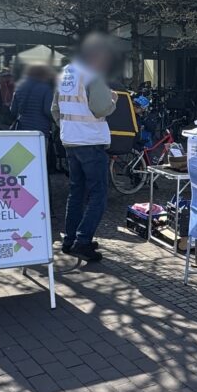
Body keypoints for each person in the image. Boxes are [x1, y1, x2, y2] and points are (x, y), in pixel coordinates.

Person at [54, 34, 118, 262]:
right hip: (90, 142)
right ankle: (83, 241)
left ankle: (69, 239)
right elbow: (101, 108)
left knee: (76, 192)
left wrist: (69, 128)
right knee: (98, 194)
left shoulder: (65, 74)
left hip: (70, 141)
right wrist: (113, 100)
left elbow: (55, 109)